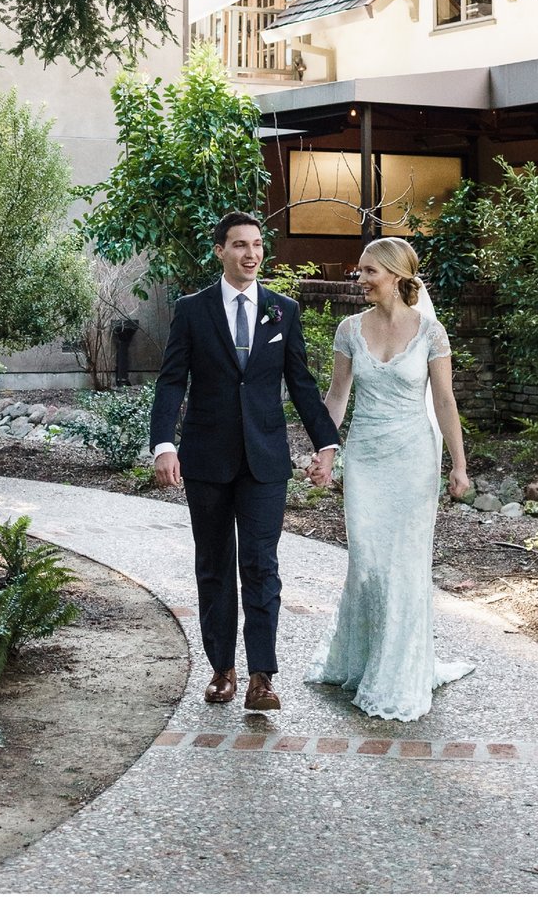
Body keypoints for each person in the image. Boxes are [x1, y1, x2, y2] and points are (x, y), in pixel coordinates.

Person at [148, 211, 340, 712]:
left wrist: (326, 443)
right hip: (207, 460)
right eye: (239, 245)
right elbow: (172, 381)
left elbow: (301, 384)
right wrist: (164, 444)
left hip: (265, 462)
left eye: (256, 245)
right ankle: (221, 670)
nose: (250, 254)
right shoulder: (193, 310)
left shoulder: (283, 311)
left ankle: (261, 677)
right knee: (213, 566)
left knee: (260, 565)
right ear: (220, 251)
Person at [307, 236, 477, 722]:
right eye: (358, 272)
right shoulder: (348, 329)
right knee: (366, 564)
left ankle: (397, 673)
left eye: (368, 272)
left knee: (403, 568)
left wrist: (459, 465)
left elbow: (445, 402)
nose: (359, 280)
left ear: (397, 276)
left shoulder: (431, 332)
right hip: (365, 457)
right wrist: (324, 450)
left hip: (413, 460)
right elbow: (337, 398)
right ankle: (363, 660)